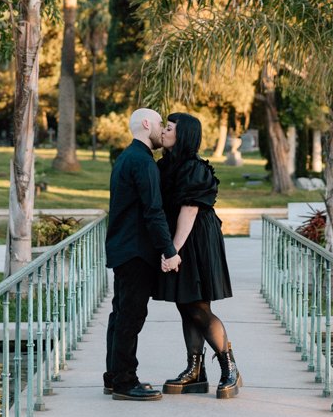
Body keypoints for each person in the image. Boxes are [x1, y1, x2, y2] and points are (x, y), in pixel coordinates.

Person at [154, 112, 241, 398]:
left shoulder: (194, 168)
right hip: (178, 237)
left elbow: (189, 211)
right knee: (185, 303)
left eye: (168, 129)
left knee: (198, 306)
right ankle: (195, 371)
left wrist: (173, 250)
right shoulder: (166, 165)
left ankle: (230, 368)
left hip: (195, 239)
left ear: (183, 135)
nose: (163, 132)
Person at [103, 107, 181, 401]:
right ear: (146, 124)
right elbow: (153, 212)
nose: (162, 130)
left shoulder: (126, 158)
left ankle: (113, 376)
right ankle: (125, 381)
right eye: (160, 124)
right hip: (136, 251)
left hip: (123, 248)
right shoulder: (143, 162)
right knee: (130, 317)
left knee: (120, 314)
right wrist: (169, 251)